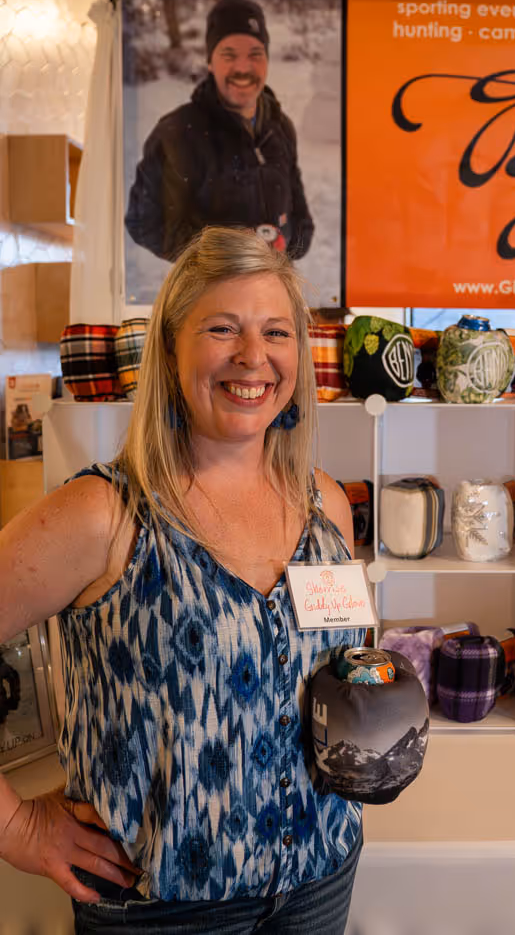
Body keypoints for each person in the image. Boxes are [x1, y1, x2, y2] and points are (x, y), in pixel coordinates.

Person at [0, 226, 365, 933]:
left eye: (276, 332)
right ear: (171, 349)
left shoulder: (328, 507)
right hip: (163, 910)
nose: (253, 357)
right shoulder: (105, 515)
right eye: (222, 329)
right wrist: (18, 828)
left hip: (322, 877)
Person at [125, 0, 315, 262]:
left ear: (267, 60)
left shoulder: (280, 127)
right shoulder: (178, 133)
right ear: (210, 62)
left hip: (272, 292)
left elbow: (301, 220)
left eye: (255, 54)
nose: (242, 67)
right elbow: (145, 223)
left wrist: (285, 241)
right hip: (210, 298)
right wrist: (230, 255)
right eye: (229, 55)